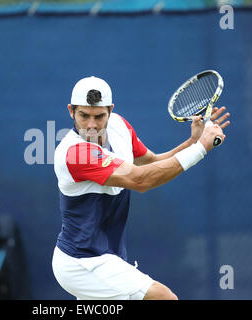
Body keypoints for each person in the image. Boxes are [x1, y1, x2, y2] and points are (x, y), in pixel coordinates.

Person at [52, 76, 230, 300]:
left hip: (106, 257)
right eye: (83, 116)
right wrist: (202, 147)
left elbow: (151, 162)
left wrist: (192, 142)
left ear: (110, 110)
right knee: (164, 298)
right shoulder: (76, 154)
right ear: (71, 111)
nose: (91, 125)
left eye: (99, 116)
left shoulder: (119, 126)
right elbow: (141, 181)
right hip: (82, 262)